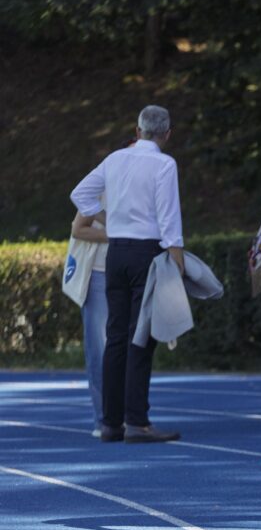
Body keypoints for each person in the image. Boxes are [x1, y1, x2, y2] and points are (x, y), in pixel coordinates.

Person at [70, 105, 187, 444]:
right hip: (146, 253)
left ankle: (111, 423)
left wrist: (109, 218)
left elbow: (79, 194)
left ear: (137, 131)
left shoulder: (114, 159)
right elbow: (169, 218)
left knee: (116, 336)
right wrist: (177, 263)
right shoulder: (164, 164)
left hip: (117, 252)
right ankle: (137, 420)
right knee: (142, 337)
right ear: (167, 134)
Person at [69, 209, 109, 437]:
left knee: (130, 346)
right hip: (99, 273)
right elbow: (78, 228)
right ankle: (104, 419)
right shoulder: (99, 188)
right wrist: (116, 233)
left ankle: (132, 416)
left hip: (132, 271)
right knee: (99, 349)